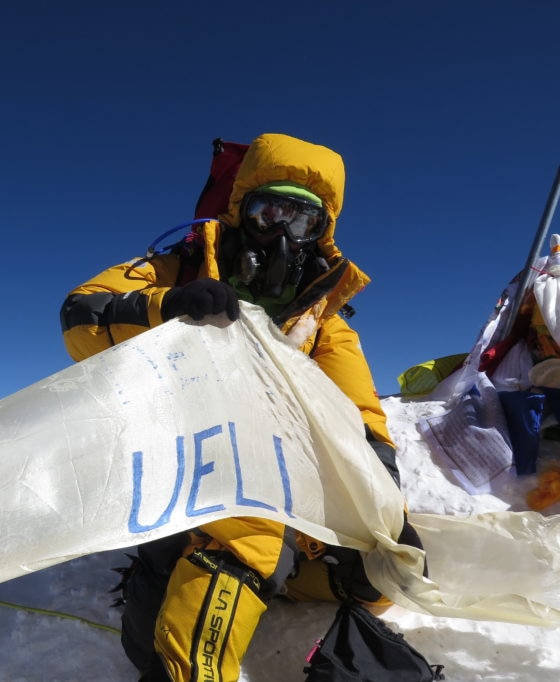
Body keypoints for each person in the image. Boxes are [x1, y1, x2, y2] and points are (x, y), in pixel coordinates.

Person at [59, 133, 410, 681]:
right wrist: (166, 307)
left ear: (323, 232)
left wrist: (389, 504)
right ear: (240, 210)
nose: (283, 233)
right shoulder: (178, 270)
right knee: (225, 558)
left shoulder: (323, 321)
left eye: (303, 221)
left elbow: (359, 412)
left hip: (286, 471)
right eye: (270, 210)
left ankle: (282, 578)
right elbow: (83, 316)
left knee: (383, 570)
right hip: (179, 463)